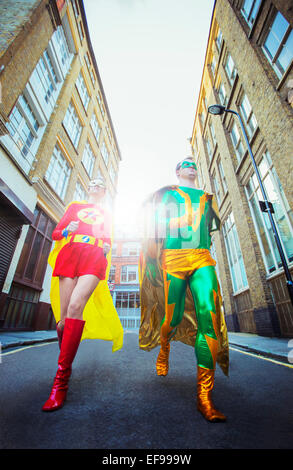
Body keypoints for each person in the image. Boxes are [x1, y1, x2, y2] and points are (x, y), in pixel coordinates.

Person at [139, 157, 229, 422]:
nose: (191, 166)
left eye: (193, 164)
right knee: (172, 318)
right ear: (177, 171)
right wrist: (176, 223)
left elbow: (210, 229)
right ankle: (164, 346)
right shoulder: (169, 195)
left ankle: (204, 397)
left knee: (208, 316)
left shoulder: (206, 196)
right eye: (185, 164)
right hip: (173, 259)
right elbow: (156, 225)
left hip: (202, 259)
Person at [42, 177, 123, 412]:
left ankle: (60, 384)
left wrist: (107, 247)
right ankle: (65, 354)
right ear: (88, 188)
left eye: (99, 184)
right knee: (62, 324)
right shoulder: (75, 207)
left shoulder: (107, 214)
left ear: (104, 190)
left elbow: (107, 239)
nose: (94, 185)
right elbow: (57, 234)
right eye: (92, 183)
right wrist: (67, 230)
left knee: (76, 306)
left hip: (94, 257)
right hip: (70, 253)